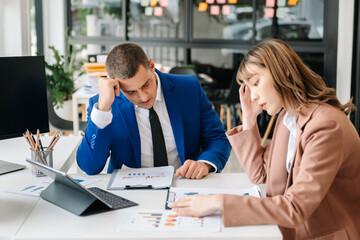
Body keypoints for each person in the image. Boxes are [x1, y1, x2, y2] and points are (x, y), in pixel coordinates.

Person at [172, 39, 360, 239]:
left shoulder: (326, 126)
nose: (251, 96)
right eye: (247, 87)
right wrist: (249, 120)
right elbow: (260, 174)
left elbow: (296, 208)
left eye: (256, 83)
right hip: (287, 231)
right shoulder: (288, 118)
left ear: (284, 72)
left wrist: (218, 202)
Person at [76, 43, 231, 179]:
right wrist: (103, 109)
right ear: (115, 84)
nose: (143, 97)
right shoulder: (105, 105)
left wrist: (204, 164)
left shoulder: (189, 88)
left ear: (151, 65)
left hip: (184, 182)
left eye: (145, 84)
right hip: (130, 191)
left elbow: (217, 138)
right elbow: (89, 167)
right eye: (131, 92)